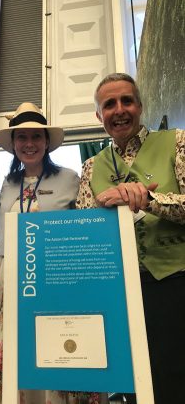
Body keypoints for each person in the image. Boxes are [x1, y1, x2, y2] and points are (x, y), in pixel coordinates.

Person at [0, 102, 107, 404]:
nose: (29, 144)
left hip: (55, 277)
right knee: (12, 346)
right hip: (10, 276)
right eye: (22, 137)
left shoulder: (69, 178)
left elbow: (86, 224)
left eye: (36, 137)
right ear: (13, 144)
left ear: (47, 142)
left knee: (56, 344)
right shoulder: (8, 183)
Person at [76, 73, 185, 404]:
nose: (119, 110)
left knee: (175, 379)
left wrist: (151, 201)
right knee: (132, 383)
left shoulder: (177, 141)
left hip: (174, 284)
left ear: (140, 106)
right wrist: (100, 207)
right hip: (118, 293)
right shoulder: (91, 166)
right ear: (99, 116)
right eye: (109, 104)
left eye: (127, 101)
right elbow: (84, 231)